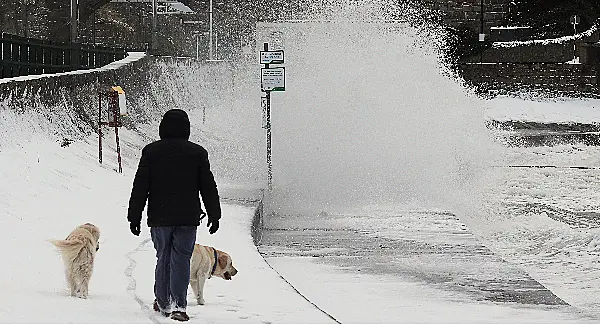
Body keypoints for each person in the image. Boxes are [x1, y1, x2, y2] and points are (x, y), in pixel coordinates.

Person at [127, 109, 221, 322]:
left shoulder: (151, 152)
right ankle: (179, 305)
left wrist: (134, 215)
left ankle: (163, 302)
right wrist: (214, 214)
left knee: (164, 258)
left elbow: (140, 186)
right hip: (187, 218)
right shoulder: (197, 153)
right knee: (181, 260)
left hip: (160, 217)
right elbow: (208, 186)